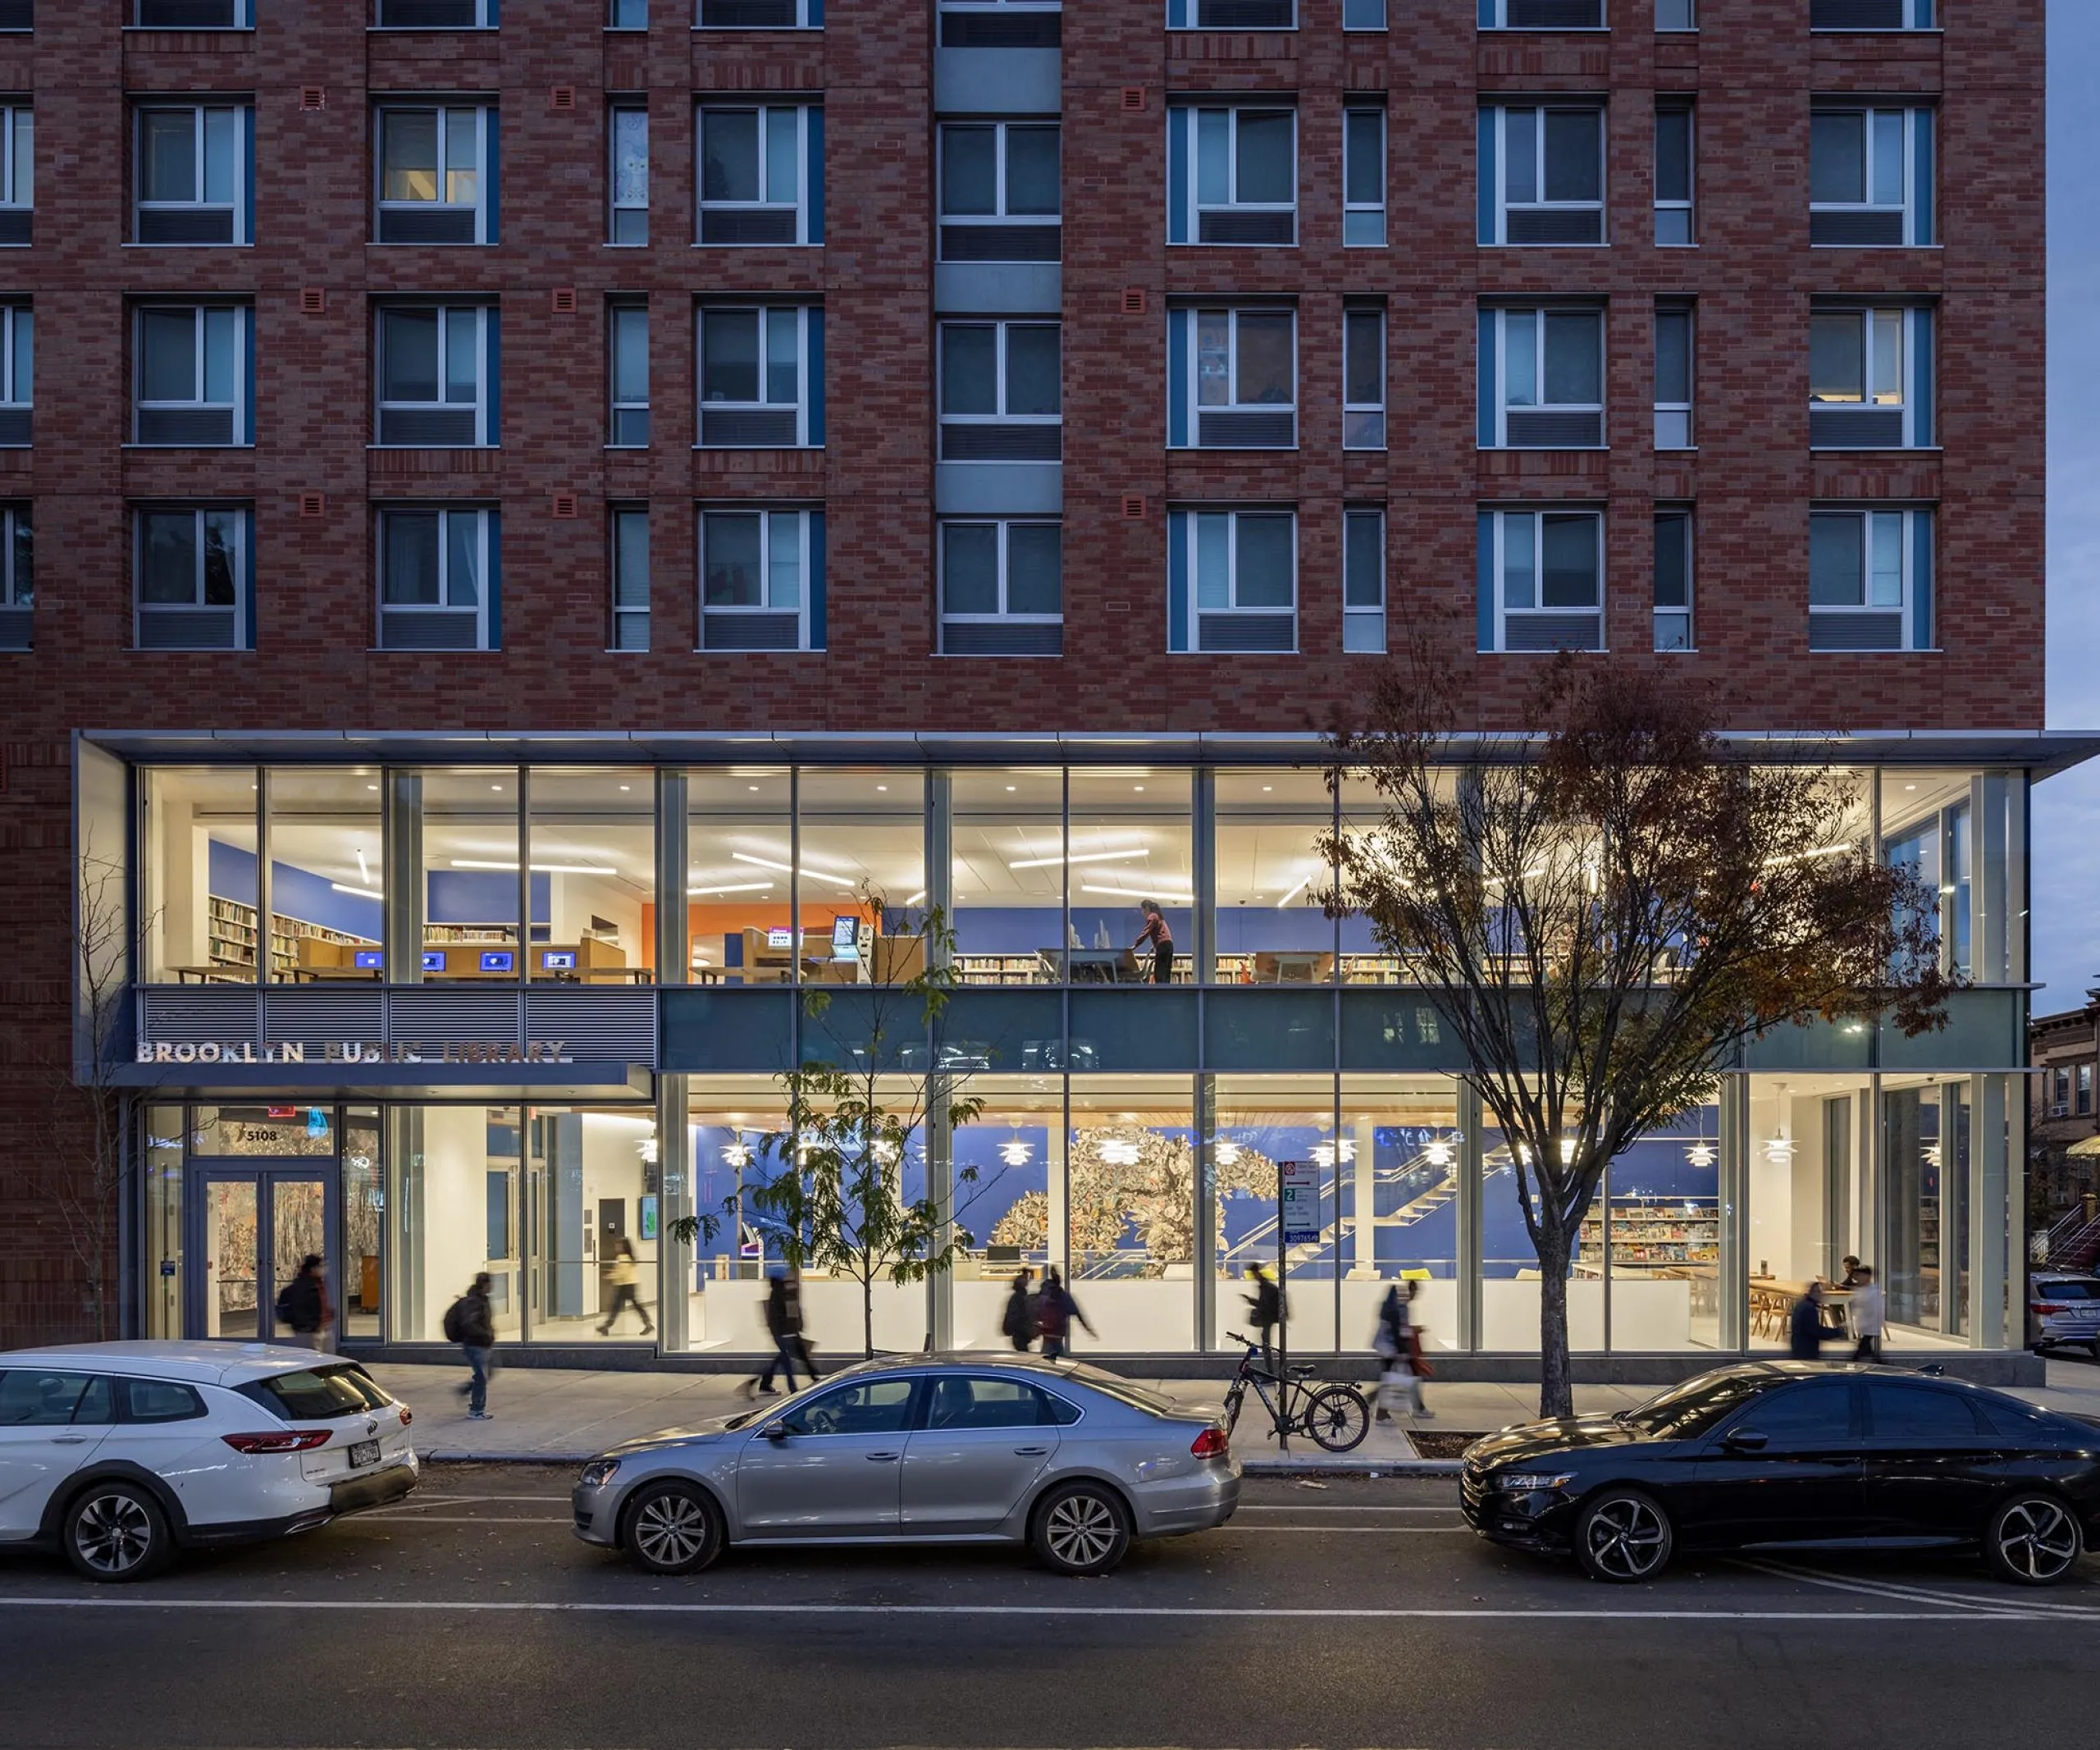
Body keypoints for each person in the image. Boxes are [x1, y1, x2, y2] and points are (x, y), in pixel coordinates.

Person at [743, 1268, 816, 1396]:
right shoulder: (781, 1293)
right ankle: (795, 1389)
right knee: (788, 1361)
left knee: (786, 1358)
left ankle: (762, 1383)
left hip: (786, 1332)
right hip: (785, 1333)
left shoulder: (781, 1292)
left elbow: (790, 1312)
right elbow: (784, 1314)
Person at [1372, 1281, 1429, 1423]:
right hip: (1393, 1350)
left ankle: (1418, 1408)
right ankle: (1380, 1413)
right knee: (1394, 1382)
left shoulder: (1395, 1304)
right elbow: (1398, 1329)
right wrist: (1403, 1351)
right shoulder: (1400, 1306)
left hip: (1390, 1349)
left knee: (1395, 1381)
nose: (1416, 1295)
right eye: (1415, 1292)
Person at [443, 1273, 496, 1420]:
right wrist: (485, 1334)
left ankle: (465, 1390)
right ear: (484, 1284)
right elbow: (470, 1324)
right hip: (475, 1344)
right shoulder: (473, 1302)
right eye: (490, 1283)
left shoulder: (482, 1300)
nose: (492, 1286)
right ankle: (476, 1409)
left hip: (483, 1343)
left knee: (487, 1373)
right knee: (482, 1377)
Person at [1035, 1266, 1096, 1360]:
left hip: (1047, 1334)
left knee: (1045, 1361)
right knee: (1061, 1360)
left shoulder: (1044, 1296)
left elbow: (1037, 1313)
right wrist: (1089, 1330)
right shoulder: (1064, 1297)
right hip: (1059, 1334)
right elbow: (1077, 1313)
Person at [275, 1254, 333, 1352]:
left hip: (322, 1329)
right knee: (313, 1360)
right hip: (309, 1332)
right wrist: (310, 1325)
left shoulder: (319, 1284)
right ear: (313, 1268)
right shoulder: (303, 1287)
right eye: (320, 1266)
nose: (323, 1270)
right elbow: (300, 1309)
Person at [596, 1238, 654, 1337]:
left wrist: (608, 1276)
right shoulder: (630, 1257)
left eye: (619, 1245)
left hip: (624, 1285)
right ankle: (647, 1324)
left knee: (618, 1306)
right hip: (630, 1284)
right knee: (631, 1306)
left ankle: (606, 1326)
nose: (617, 1247)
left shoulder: (622, 1258)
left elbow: (620, 1273)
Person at [1789, 1278, 1847, 1359]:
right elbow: (1815, 1331)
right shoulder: (1809, 1308)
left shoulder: (1803, 1305)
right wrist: (1837, 1332)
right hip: (1806, 1349)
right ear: (1812, 1293)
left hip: (1799, 1346)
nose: (1822, 1295)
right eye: (1819, 1292)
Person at [1132, 900, 1175, 985]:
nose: (1142, 912)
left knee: (1159, 972)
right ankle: (1166, 991)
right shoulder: (1159, 917)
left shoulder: (1152, 916)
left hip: (1163, 946)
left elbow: (1146, 932)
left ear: (1147, 908)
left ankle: (1160, 993)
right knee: (1166, 972)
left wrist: (1135, 945)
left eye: (1142, 909)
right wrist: (1154, 946)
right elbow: (1163, 934)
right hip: (1169, 945)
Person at [1849, 1263, 1885, 1362]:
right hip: (1862, 1325)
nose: (1857, 1278)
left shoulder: (1874, 1291)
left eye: (1859, 1275)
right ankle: (1879, 1362)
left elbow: (1875, 1310)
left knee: (1860, 1351)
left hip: (1870, 1325)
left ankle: (1854, 1363)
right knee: (1867, 1350)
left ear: (1867, 1276)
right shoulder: (1860, 1289)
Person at [1002, 1268, 1039, 1352]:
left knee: (1022, 1351)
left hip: (1019, 1331)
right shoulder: (1020, 1298)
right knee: (1023, 1351)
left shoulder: (1016, 1297)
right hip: (1021, 1331)